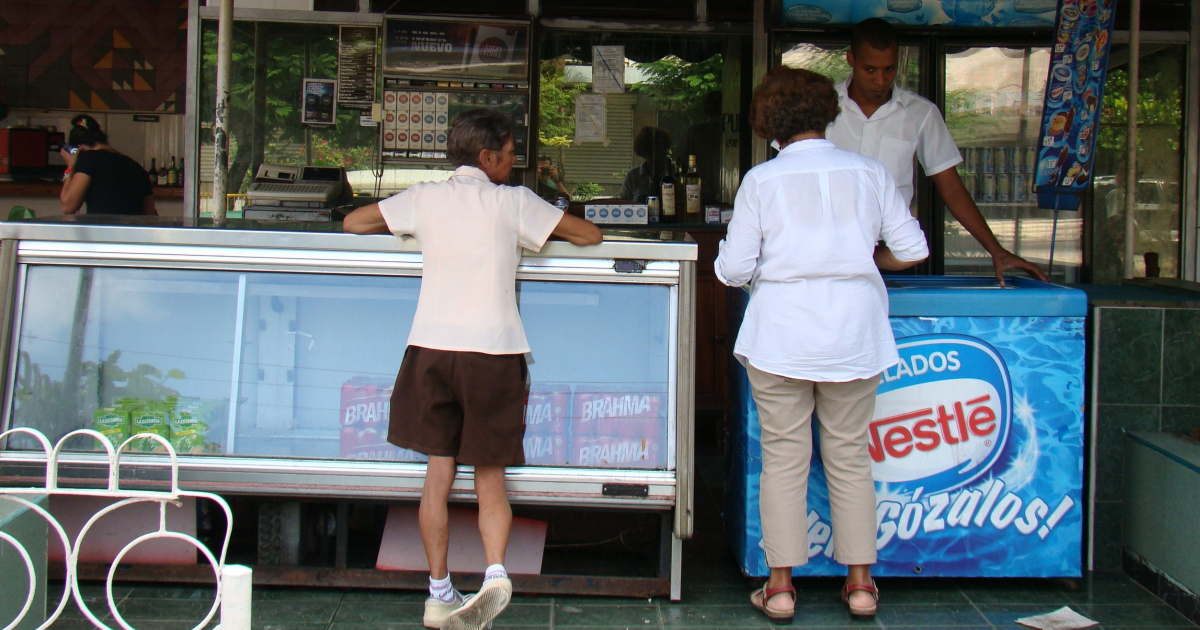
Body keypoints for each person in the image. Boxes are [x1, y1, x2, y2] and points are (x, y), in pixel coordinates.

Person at [342, 108, 601, 630]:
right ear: (487, 157)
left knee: (438, 474)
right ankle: (495, 573)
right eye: (508, 154)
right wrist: (542, 230)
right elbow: (589, 235)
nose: (513, 162)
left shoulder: (425, 198)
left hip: (431, 352)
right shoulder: (513, 203)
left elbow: (354, 221)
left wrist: (414, 234)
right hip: (494, 354)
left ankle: (437, 593)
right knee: (490, 476)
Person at [716, 67, 928, 624]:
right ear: (826, 114)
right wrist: (862, 261)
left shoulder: (762, 181)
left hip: (781, 335)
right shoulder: (869, 172)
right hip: (855, 333)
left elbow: (734, 269)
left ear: (768, 123)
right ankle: (861, 586)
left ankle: (781, 589)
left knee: (785, 457)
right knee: (850, 455)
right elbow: (912, 248)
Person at [826, 18, 1045, 283]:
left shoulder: (920, 113)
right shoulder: (821, 106)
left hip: (889, 254)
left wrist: (995, 250)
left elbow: (951, 188)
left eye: (890, 69)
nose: (880, 80)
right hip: (824, 248)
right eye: (870, 69)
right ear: (850, 59)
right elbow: (788, 172)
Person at [59, 114, 157, 216]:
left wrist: (70, 167)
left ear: (79, 148)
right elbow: (150, 214)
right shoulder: (136, 167)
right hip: (131, 230)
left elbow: (68, 207)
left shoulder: (89, 159)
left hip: (101, 229)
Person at [618, 126, 674, 203]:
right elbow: (622, 205)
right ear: (644, 153)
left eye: (659, 150)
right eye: (650, 153)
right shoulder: (633, 177)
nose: (655, 157)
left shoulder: (674, 174)